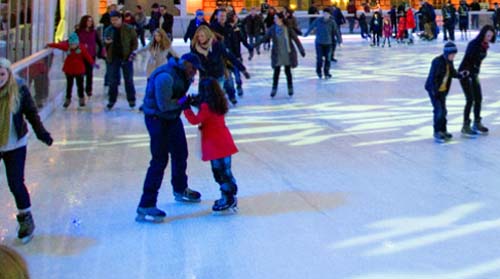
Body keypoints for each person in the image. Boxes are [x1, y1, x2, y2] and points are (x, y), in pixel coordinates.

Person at [136, 53, 204, 223]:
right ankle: (146, 204)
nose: (195, 73)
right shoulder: (165, 77)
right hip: (156, 118)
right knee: (159, 160)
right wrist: (184, 102)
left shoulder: (184, 75)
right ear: (186, 64)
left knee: (180, 152)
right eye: (193, 69)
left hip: (171, 117)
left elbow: (177, 100)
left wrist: (188, 101)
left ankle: (180, 188)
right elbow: (164, 105)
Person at [0, 58, 53, 243]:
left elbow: (31, 113)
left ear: (8, 74)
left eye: (2, 74)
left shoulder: (19, 89)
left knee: (15, 183)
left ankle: (26, 219)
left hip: (15, 144)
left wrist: (42, 133)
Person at [182, 78, 239, 213]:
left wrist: (186, 108)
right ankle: (230, 194)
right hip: (224, 142)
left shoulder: (206, 106)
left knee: (219, 172)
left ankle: (228, 197)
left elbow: (195, 120)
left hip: (214, 144)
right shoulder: (219, 102)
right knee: (226, 171)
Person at [191, 25, 250, 104]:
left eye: (202, 36)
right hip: (204, 76)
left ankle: (221, 108)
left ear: (207, 35)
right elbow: (192, 62)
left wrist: (243, 69)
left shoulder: (217, 45)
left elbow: (230, 56)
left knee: (215, 98)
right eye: (198, 36)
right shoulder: (195, 47)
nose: (200, 38)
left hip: (218, 75)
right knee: (204, 100)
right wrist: (190, 75)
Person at [425, 42, 468, 142]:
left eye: (454, 54)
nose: (453, 56)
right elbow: (432, 78)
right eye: (452, 54)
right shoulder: (437, 62)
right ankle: (437, 131)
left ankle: (443, 130)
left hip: (442, 91)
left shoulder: (449, 62)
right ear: (446, 53)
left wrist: (461, 75)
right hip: (434, 91)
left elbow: (452, 73)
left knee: (444, 111)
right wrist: (434, 92)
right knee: (439, 111)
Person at [458, 25, 496, 136]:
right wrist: (468, 73)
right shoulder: (474, 44)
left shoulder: (484, 45)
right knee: (470, 99)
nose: (489, 38)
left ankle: (477, 122)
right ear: (483, 34)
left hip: (474, 74)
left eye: (491, 36)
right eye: (487, 35)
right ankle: (465, 125)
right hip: (465, 73)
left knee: (478, 98)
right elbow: (468, 59)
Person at [258, 12, 305, 97]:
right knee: (276, 72)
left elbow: (296, 39)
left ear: (281, 19)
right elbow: (264, 38)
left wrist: (301, 50)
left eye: (276, 18)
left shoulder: (287, 28)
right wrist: (254, 45)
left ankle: (290, 87)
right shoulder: (273, 29)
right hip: (277, 54)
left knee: (288, 72)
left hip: (287, 53)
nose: (274, 20)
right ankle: (274, 88)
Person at [47, 33, 94, 108]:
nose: (72, 46)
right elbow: (58, 45)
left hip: (79, 70)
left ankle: (81, 99)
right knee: (69, 85)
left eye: (74, 44)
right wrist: (49, 44)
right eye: (71, 44)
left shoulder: (82, 48)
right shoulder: (67, 47)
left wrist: (92, 63)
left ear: (77, 43)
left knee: (80, 86)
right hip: (69, 70)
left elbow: (87, 56)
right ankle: (68, 99)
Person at [103, 10, 138, 109]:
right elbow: (103, 42)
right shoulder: (108, 29)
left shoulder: (129, 29)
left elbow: (134, 43)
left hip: (126, 57)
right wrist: (106, 42)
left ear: (120, 19)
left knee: (128, 79)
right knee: (113, 80)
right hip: (113, 58)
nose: (113, 22)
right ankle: (112, 100)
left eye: (115, 19)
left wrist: (132, 53)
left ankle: (131, 99)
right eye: (112, 20)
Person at [304, 8, 337, 79]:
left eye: (327, 14)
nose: (325, 15)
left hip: (328, 43)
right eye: (324, 13)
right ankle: (318, 71)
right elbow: (311, 26)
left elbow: (336, 31)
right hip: (319, 43)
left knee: (328, 59)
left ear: (330, 15)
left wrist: (339, 40)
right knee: (319, 58)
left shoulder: (332, 22)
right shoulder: (318, 20)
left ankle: (326, 73)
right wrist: (306, 34)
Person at [77, 15, 103, 98]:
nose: (90, 23)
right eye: (88, 21)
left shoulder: (94, 32)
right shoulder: (78, 31)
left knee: (89, 73)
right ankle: (80, 90)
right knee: (80, 73)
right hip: (80, 55)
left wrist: (100, 52)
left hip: (91, 55)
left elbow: (99, 42)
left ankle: (89, 89)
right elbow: (72, 40)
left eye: (91, 21)